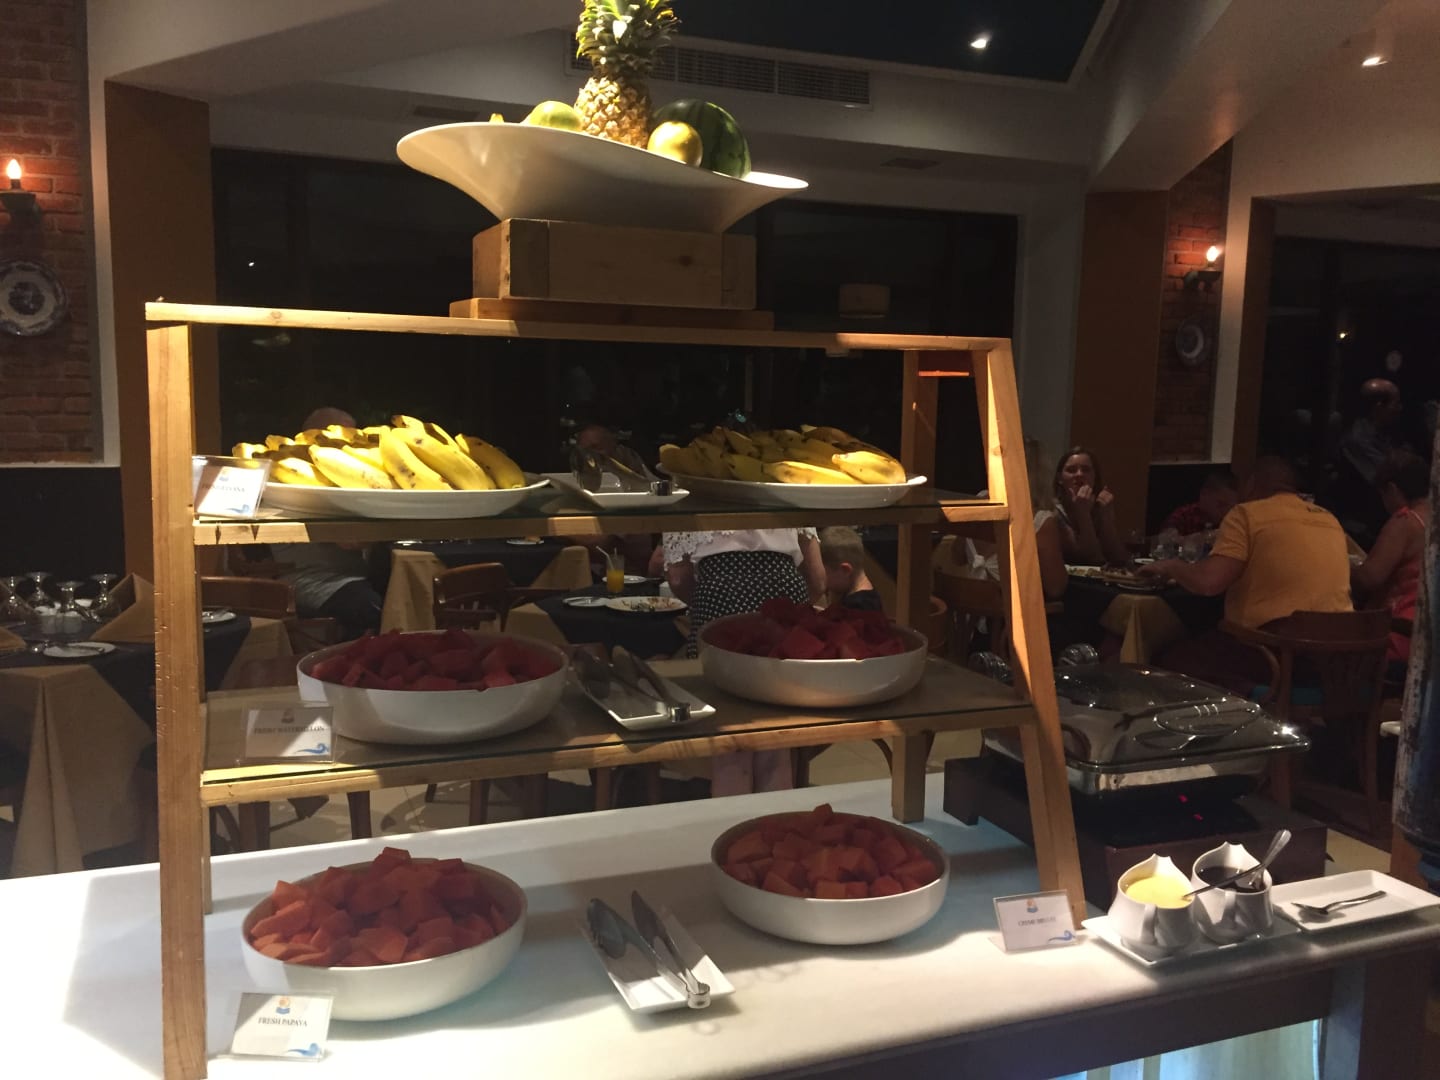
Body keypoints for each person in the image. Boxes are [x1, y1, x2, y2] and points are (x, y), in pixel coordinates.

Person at [1144, 456, 1352, 693]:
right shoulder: (1328, 518)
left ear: (1251, 483)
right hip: (1334, 662)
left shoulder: (1247, 514)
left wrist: (1170, 566)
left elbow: (1208, 583)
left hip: (1276, 656)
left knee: (1167, 658)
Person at [663, 527, 823, 796]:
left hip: (720, 594)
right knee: (777, 736)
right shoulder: (785, 499)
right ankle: (776, 819)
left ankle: (735, 818)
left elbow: (678, 577)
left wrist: (707, 597)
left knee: (729, 738)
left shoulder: (690, 502)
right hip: (785, 590)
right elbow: (818, 578)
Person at [267, 408, 385, 641]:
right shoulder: (300, 479)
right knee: (370, 607)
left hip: (351, 575)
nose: (351, 444)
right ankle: (349, 658)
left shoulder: (340, 478)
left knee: (404, 591)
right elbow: (351, 541)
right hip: (312, 579)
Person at [1352, 452, 1430, 666]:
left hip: (1401, 635)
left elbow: (1370, 578)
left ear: (1392, 489)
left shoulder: (1406, 521)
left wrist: (1343, 567)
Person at [1053, 446, 1128, 566]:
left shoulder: (1099, 507)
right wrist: (1083, 514)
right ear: (1059, 479)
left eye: (1086, 469)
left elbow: (1119, 559)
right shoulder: (1053, 512)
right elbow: (1092, 559)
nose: (1079, 474)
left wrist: (1107, 519)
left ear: (1095, 477)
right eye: (1071, 470)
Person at [1341, 378, 1404, 486]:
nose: (1400, 408)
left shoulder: (1385, 432)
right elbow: (1386, 479)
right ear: (1379, 407)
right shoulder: (1357, 440)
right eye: (1396, 403)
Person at [817, 526, 883, 611]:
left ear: (845, 570)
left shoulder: (858, 608)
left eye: (824, 573)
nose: (823, 581)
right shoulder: (868, 596)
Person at [1162, 470, 1239, 537]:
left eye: (1231, 508)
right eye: (1221, 504)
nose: (1226, 512)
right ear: (1204, 494)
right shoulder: (1183, 517)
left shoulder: (1234, 521)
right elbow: (1166, 540)